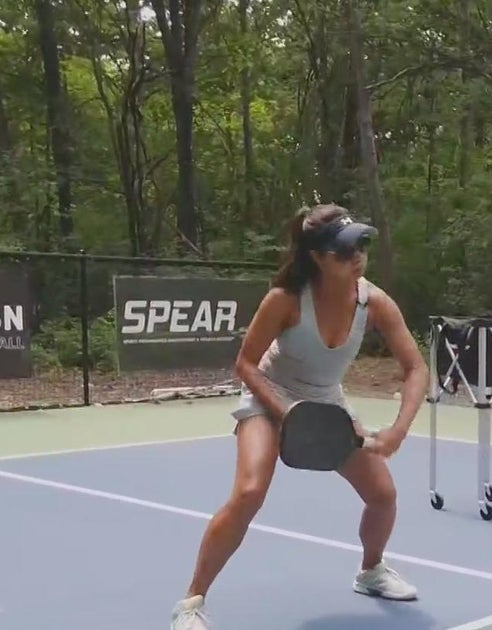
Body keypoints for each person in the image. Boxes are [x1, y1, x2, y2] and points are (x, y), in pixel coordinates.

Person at [169, 204, 431, 629]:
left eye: (361, 245)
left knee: (383, 495)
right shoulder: (286, 300)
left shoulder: (374, 302)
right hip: (269, 394)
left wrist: (399, 430)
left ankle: (371, 571)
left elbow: (417, 368)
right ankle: (190, 603)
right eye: (345, 251)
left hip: (327, 401)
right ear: (318, 257)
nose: (357, 256)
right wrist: (286, 414)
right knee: (250, 491)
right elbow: (245, 364)